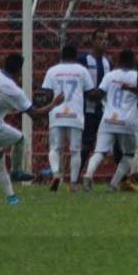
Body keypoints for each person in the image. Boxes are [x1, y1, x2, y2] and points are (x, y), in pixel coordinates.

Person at [0, 55, 61, 205]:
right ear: (19, 71)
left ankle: (12, 198)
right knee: (20, 139)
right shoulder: (13, 90)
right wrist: (54, 104)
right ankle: (16, 171)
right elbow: (34, 115)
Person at [82, 49, 138, 192]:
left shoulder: (110, 76)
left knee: (100, 152)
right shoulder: (137, 76)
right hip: (127, 121)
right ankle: (114, 184)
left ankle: (88, 175)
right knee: (129, 154)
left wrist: (85, 91)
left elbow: (97, 95)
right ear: (133, 60)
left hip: (108, 119)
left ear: (119, 60)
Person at [41, 45, 95, 193]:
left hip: (56, 113)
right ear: (76, 56)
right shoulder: (82, 71)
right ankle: (73, 184)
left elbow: (46, 93)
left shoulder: (52, 70)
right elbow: (90, 93)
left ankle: (56, 173)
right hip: (75, 114)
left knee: (55, 148)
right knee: (75, 151)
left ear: (61, 55)